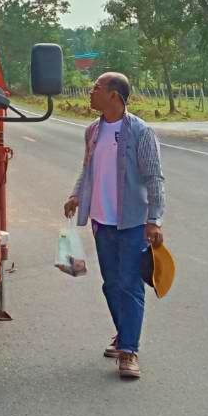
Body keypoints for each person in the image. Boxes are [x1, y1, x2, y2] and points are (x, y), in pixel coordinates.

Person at [63, 72, 166, 380]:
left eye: (96, 88)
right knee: (111, 284)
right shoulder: (93, 131)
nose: (90, 92)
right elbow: (88, 170)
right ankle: (124, 334)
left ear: (114, 96)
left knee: (130, 284)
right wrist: (75, 195)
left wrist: (154, 219)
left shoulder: (139, 132)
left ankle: (129, 351)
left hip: (133, 221)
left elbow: (154, 178)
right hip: (101, 221)